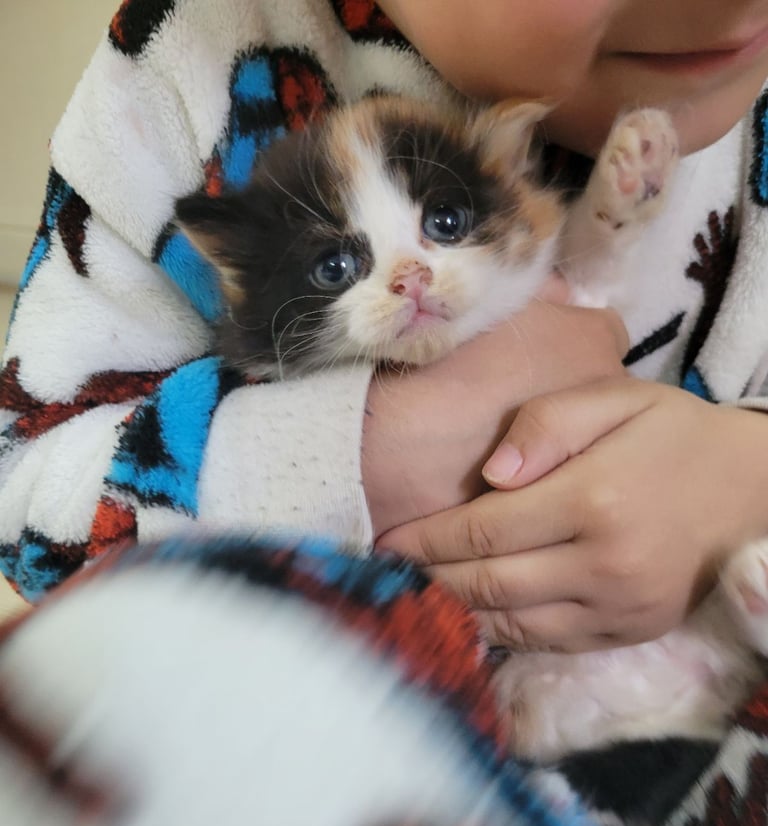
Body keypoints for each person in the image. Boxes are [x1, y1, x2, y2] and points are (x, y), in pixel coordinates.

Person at [2, 0, 768, 640]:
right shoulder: (179, 63)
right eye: (337, 267)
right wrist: (342, 455)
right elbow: (22, 497)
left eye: (441, 220)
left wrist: (746, 477)